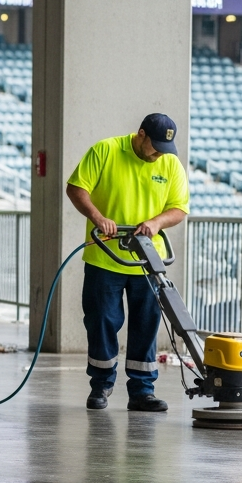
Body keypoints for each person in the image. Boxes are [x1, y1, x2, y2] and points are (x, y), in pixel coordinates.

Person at [66, 113, 189, 412]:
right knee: (102, 322)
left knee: (147, 324)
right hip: (105, 257)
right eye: (155, 147)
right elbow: (76, 188)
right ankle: (101, 385)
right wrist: (99, 218)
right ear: (141, 134)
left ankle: (142, 391)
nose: (159, 154)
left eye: (164, 149)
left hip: (147, 260)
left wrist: (157, 222)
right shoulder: (105, 150)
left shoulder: (170, 163)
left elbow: (179, 207)